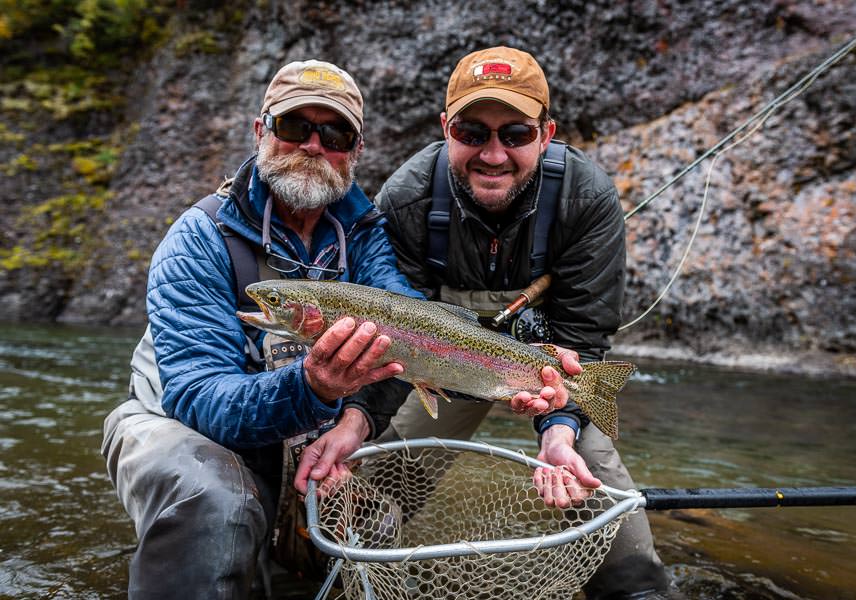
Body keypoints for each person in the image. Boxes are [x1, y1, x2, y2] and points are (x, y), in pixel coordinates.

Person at [101, 59, 573, 599]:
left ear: (356, 150)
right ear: (261, 132)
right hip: (176, 426)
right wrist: (313, 387)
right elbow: (198, 398)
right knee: (217, 504)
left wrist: (355, 418)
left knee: (372, 522)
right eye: (295, 127)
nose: (313, 146)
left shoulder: (366, 236)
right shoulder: (198, 239)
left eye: (336, 133)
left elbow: (411, 338)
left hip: (300, 424)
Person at [299, 47, 669, 599]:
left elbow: (583, 337)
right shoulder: (406, 200)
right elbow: (389, 337)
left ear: (546, 135)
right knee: (367, 495)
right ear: (446, 128)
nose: (493, 154)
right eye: (473, 131)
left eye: (515, 134)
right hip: (441, 370)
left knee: (604, 507)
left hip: (545, 373)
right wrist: (355, 423)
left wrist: (559, 430)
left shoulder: (586, 198)